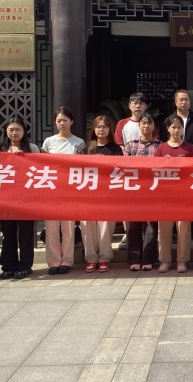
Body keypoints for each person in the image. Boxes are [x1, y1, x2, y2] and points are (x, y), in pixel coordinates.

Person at [41, 107, 85, 275]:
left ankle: (67, 260)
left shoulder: (79, 142)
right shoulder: (48, 142)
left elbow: (81, 166)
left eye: (65, 120)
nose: (62, 123)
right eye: (59, 120)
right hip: (51, 189)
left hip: (70, 190)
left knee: (68, 228)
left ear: (71, 122)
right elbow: (42, 165)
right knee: (51, 227)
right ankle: (53, 261)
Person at [0, 117, 39, 280]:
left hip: (27, 198)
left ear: (24, 131)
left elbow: (39, 169)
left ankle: (25, 265)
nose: (14, 133)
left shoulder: (32, 148)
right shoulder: (0, 149)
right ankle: (8, 265)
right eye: (11, 130)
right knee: (8, 233)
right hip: (6, 199)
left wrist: (24, 158)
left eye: (18, 129)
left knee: (26, 233)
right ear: (6, 131)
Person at [79, 116, 123, 273]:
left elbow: (119, 170)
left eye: (104, 127)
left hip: (107, 195)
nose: (101, 130)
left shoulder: (115, 149)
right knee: (88, 227)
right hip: (88, 195)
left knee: (105, 227)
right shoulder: (86, 148)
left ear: (109, 129)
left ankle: (104, 257)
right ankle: (91, 258)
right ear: (94, 129)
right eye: (98, 127)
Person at [154, 115, 193, 273]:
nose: (176, 130)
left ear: (183, 129)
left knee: (183, 229)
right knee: (164, 230)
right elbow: (154, 170)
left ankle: (182, 261)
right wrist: (163, 163)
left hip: (184, 196)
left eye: (179, 127)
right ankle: (165, 260)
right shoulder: (161, 149)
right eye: (173, 127)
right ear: (168, 129)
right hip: (164, 197)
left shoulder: (189, 148)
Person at [124, 112, 161, 271]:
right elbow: (124, 167)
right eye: (143, 123)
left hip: (153, 192)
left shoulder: (160, 146)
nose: (146, 126)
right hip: (134, 192)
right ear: (139, 125)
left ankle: (148, 259)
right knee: (133, 227)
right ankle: (134, 259)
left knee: (151, 228)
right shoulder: (130, 145)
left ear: (154, 126)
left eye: (149, 123)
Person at [114, 92, 148, 250]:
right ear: (129, 106)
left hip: (146, 171)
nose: (138, 106)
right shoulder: (122, 123)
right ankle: (128, 233)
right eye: (134, 103)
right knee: (127, 203)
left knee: (145, 203)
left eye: (141, 103)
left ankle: (144, 233)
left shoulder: (149, 122)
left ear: (145, 106)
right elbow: (119, 145)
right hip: (127, 169)